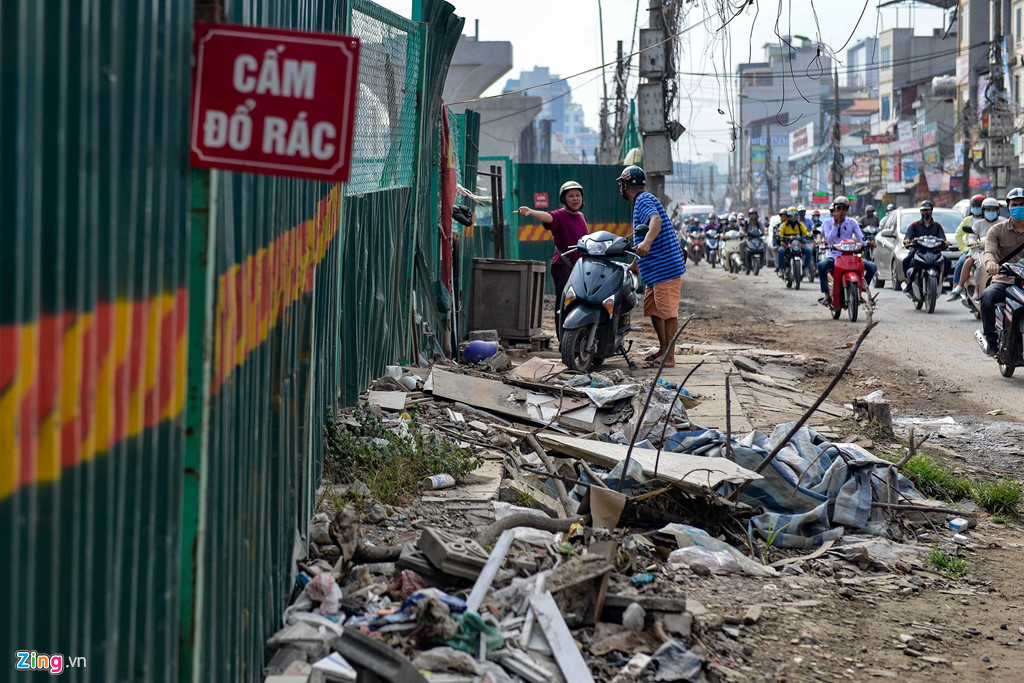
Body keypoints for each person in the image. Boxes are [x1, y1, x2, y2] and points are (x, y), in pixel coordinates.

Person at [617, 165, 685, 368]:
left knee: (668, 312)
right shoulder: (641, 201)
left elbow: (655, 221)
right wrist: (636, 263)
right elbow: (642, 232)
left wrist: (646, 243)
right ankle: (663, 350)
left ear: (625, 185)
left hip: (665, 268)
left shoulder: (643, 200)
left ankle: (670, 356)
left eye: (622, 184)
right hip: (653, 269)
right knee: (654, 311)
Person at [518, 180, 589, 306]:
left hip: (580, 266)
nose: (575, 199)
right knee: (564, 302)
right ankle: (561, 326)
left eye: (578, 195)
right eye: (571, 196)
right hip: (563, 266)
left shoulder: (581, 216)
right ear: (564, 199)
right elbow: (548, 216)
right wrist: (531, 212)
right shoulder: (559, 215)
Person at [979, 187, 1024, 356]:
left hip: (1023, 283)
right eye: (1015, 204)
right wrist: (991, 263)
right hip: (1004, 281)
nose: (1019, 207)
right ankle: (991, 340)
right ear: (1008, 206)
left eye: (1022, 204)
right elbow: (989, 251)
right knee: (987, 297)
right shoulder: (997, 230)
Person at [816, 196, 877, 304]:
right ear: (834, 209)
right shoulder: (827, 223)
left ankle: (860, 291)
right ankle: (826, 294)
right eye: (838, 208)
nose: (841, 211)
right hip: (833, 256)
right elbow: (829, 240)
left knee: (872, 267)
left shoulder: (852, 222)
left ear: (847, 210)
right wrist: (835, 224)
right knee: (821, 265)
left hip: (850, 256)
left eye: (844, 209)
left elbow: (860, 237)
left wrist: (867, 243)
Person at [949, 197, 998, 301]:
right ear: (983, 211)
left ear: (997, 211)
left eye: (993, 210)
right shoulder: (977, 223)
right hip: (979, 250)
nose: (991, 212)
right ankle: (971, 288)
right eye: (988, 210)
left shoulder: (1002, 223)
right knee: (978, 264)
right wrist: (971, 242)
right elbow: (971, 236)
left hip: (997, 251)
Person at [901, 200, 947, 289]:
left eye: (927, 210)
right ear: (921, 212)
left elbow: (943, 239)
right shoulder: (915, 225)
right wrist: (907, 240)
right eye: (923, 210)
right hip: (918, 250)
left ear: (931, 211)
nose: (925, 212)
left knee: (947, 262)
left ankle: (941, 283)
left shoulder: (937, 226)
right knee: (906, 261)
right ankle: (909, 282)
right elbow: (908, 237)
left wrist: (945, 243)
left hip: (934, 251)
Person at [951, 194, 986, 287]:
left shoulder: (989, 220)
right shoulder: (967, 220)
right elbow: (958, 235)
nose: (975, 208)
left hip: (987, 249)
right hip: (971, 250)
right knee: (961, 262)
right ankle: (957, 286)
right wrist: (964, 248)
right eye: (973, 206)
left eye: (978, 206)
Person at [776, 206, 812, 274]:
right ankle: (780, 269)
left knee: (808, 251)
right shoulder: (784, 225)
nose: (793, 218)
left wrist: (810, 235)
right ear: (788, 216)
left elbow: (806, 231)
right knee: (781, 251)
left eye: (794, 215)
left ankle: (806, 269)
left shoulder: (800, 225)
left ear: (797, 216)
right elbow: (780, 232)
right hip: (786, 244)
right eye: (791, 216)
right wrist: (779, 236)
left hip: (798, 244)